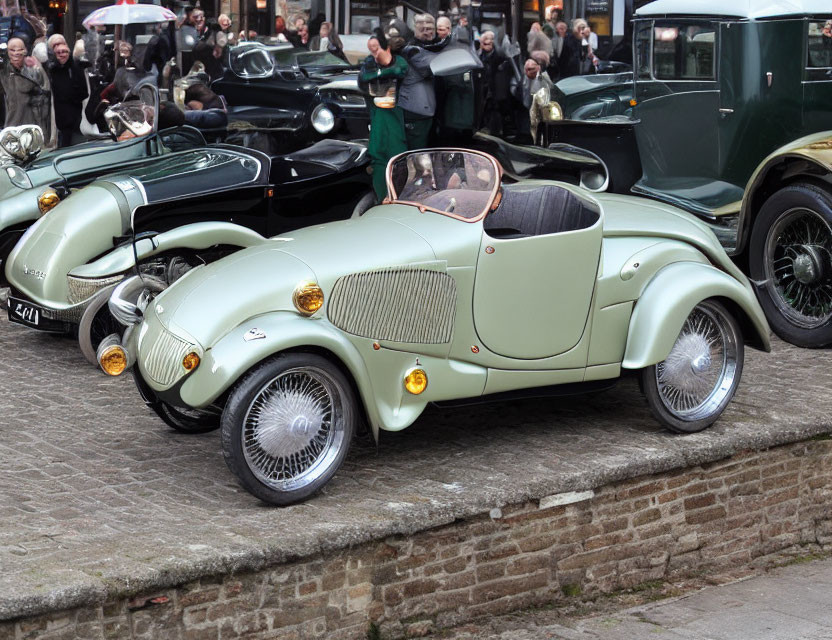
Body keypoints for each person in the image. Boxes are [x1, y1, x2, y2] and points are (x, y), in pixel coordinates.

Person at [358, 28, 408, 199]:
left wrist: (379, 73)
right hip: (378, 112)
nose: (374, 52)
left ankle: (396, 196)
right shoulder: (369, 62)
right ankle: (381, 197)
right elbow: (363, 78)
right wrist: (378, 72)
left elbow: (398, 71)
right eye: (371, 48)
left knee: (397, 154)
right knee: (378, 153)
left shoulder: (399, 61)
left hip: (395, 113)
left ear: (386, 47)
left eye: (376, 47)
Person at [398, 13, 447, 149]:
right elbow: (434, 64)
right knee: (417, 153)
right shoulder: (412, 50)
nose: (426, 32)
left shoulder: (432, 46)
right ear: (415, 30)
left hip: (428, 110)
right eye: (422, 29)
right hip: (416, 112)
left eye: (430, 28)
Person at [0, 36, 52, 140]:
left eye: (20, 50)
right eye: (12, 50)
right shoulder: (4, 73)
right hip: (11, 129)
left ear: (25, 51)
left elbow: (45, 95)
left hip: (33, 127)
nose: (16, 53)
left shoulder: (34, 72)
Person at [48, 39, 87, 147]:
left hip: (75, 117)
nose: (62, 55)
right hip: (59, 118)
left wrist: (73, 97)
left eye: (64, 52)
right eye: (58, 52)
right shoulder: (52, 71)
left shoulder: (76, 68)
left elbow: (84, 92)